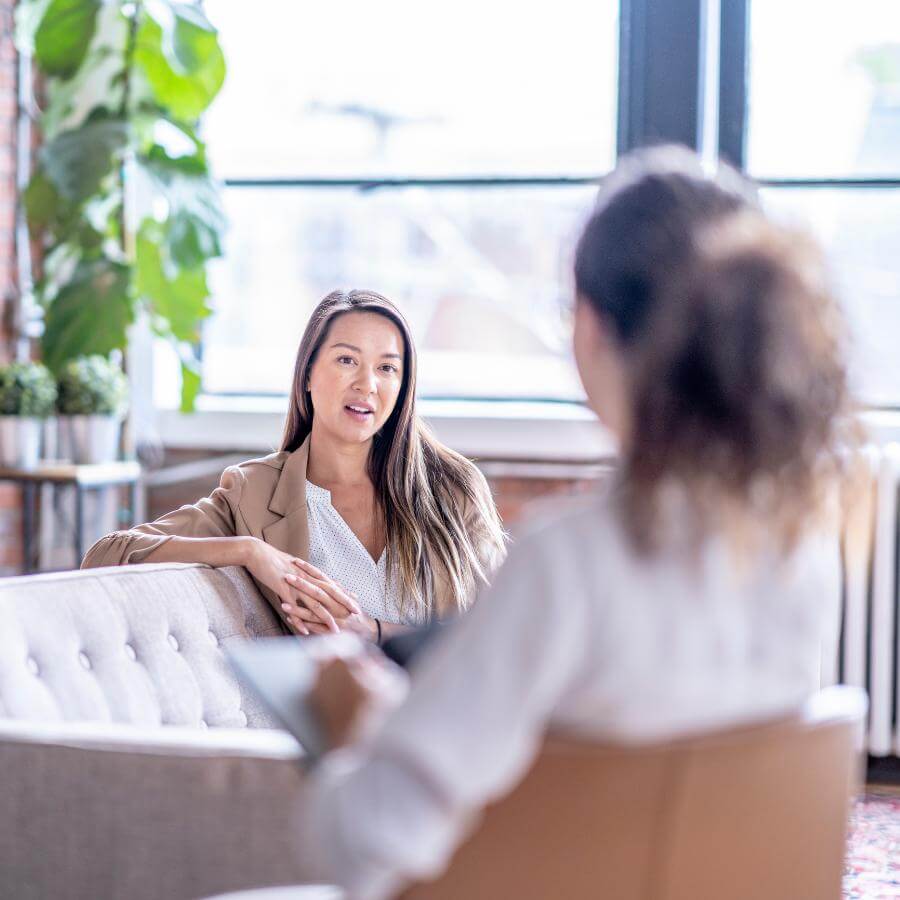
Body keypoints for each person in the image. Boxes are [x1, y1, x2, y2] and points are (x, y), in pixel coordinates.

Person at [291, 146, 856, 899]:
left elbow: (365, 840)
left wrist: (357, 730)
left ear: (590, 327)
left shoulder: (570, 562)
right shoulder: (801, 551)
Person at [82, 290, 506, 640]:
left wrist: (373, 632)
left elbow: (506, 629)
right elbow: (106, 555)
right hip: (322, 727)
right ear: (307, 373)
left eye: (387, 368)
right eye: (346, 360)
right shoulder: (254, 491)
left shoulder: (453, 487)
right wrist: (248, 550)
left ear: (402, 386)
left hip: (441, 719)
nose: (367, 383)